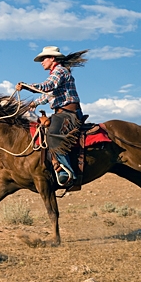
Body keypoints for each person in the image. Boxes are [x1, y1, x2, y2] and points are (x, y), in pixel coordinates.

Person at [16, 46, 87, 187]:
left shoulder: (59, 71)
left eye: (44, 58)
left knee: (53, 134)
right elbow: (50, 95)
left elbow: (48, 85)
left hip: (69, 114)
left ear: (52, 58)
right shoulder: (57, 72)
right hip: (61, 113)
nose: (42, 62)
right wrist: (34, 103)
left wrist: (26, 86)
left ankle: (67, 172)